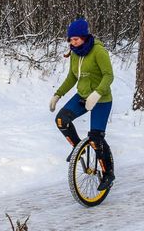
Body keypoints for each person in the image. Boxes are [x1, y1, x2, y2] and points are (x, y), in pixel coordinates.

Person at [49, 18, 115, 191]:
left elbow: (109, 76)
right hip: (83, 96)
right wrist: (58, 94)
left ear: (85, 37)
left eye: (76, 39)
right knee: (61, 120)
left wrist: (98, 93)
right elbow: (72, 77)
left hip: (101, 100)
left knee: (96, 139)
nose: (73, 42)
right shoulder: (74, 53)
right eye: (70, 39)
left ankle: (108, 173)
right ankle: (79, 148)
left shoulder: (98, 51)